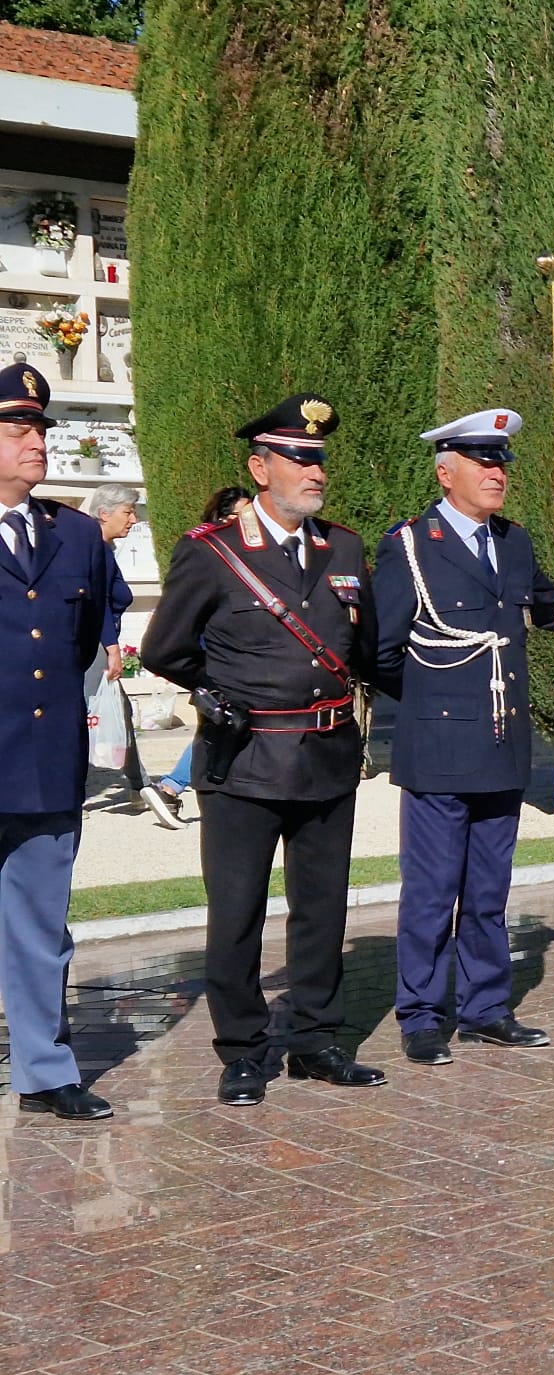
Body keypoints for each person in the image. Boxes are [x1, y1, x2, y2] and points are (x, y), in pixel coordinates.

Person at [141, 395, 384, 1105]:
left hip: (327, 757)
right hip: (245, 760)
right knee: (238, 911)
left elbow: (361, 651)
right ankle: (243, 1050)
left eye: (320, 460)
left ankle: (313, 1039)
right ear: (260, 466)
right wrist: (210, 689)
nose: (316, 471)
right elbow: (164, 648)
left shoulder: (342, 547)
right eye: (300, 458)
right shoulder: (213, 550)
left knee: (323, 909)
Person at [372, 407, 554, 1064]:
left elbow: (543, 605)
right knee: (430, 892)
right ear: (446, 471)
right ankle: (421, 1013)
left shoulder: (516, 543)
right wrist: (433, 705)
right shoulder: (410, 547)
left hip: (501, 748)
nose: (497, 473)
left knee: (488, 892)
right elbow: (383, 651)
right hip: (439, 749)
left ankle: (485, 1007)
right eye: (483, 461)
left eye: (502, 461)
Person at [0, 361, 115, 1120]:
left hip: (43, 761)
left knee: (41, 926)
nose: (37, 440)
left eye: (42, 428)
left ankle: (42, 1071)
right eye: (19, 429)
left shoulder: (74, 532)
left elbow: (86, 636)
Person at [145, 488, 255, 828]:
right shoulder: (208, 555)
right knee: (221, 726)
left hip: (231, 662)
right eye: (241, 515)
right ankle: (170, 787)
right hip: (216, 662)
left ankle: (170, 788)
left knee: (215, 728)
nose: (250, 522)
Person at [85, 484, 172, 826]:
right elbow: (99, 603)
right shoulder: (96, 548)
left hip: (97, 645)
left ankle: (139, 785)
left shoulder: (103, 546)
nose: (133, 519)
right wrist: (113, 648)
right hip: (95, 649)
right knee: (96, 715)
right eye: (128, 512)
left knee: (114, 713)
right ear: (104, 513)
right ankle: (137, 786)